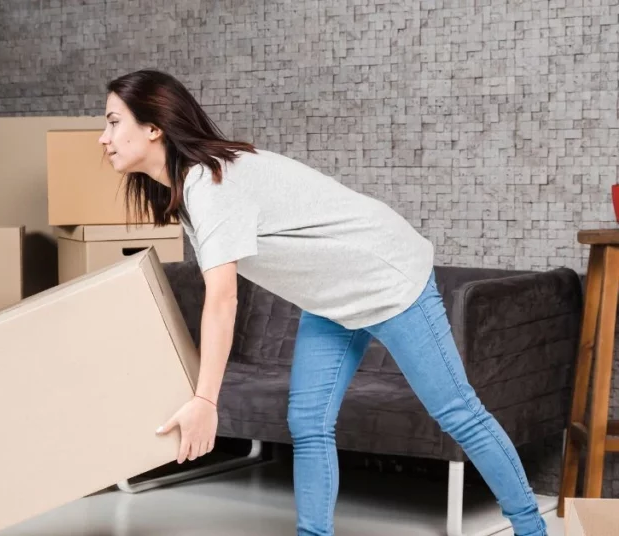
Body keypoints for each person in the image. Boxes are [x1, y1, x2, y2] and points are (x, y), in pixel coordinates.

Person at [100, 70, 547, 536]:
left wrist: (205, 399)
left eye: (113, 122)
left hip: (386, 280)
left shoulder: (210, 185)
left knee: (457, 411)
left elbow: (223, 298)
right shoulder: (191, 186)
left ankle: (532, 531)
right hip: (332, 298)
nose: (103, 138)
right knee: (308, 421)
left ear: (154, 127)